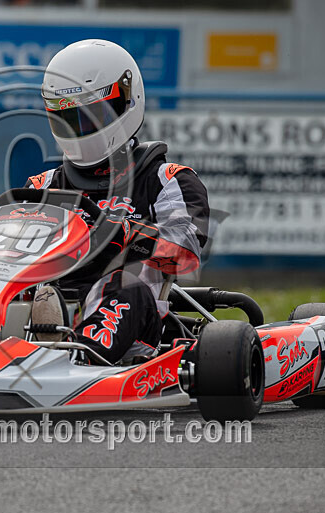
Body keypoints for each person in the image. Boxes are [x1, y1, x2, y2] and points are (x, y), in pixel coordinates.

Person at [26, 39, 210, 364]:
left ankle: (80, 357)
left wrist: (127, 233)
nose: (78, 130)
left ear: (125, 101)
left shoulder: (167, 179)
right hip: (46, 300)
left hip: (135, 316)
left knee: (123, 284)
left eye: (88, 118)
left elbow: (187, 252)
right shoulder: (44, 185)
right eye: (67, 120)